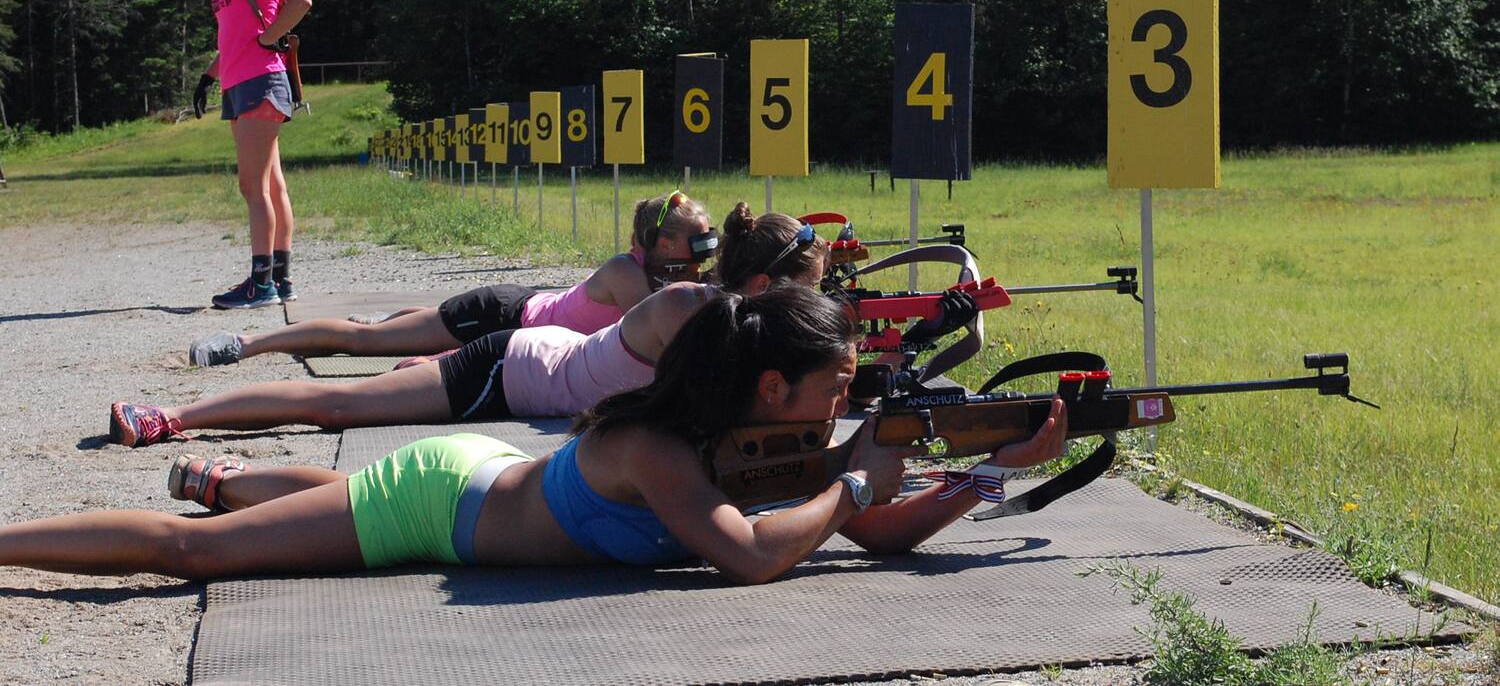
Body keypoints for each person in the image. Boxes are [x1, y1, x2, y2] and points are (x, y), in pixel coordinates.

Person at [0, 286, 1067, 584]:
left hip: (495, 478)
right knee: (186, 558)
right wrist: (855, 480)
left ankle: (223, 473)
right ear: (774, 385)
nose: (843, 407)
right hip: (435, 503)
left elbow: (865, 530)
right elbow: (752, 553)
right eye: (834, 389)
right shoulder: (659, 448)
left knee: (269, 516)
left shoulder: (766, 440)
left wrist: (986, 471)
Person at [109, 204, 829, 447]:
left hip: (538, 361)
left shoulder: (732, 316)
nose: (812, 314)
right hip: (513, 362)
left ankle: (414, 377)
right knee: (337, 406)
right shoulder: (687, 311)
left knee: (373, 376)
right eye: (808, 297)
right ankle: (173, 414)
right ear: (763, 287)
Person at [185, 190, 712, 367]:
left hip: (523, 322)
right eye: (700, 242)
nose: (705, 252)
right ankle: (245, 343)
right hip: (499, 314)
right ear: (665, 246)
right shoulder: (627, 273)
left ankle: (400, 322)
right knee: (363, 342)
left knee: (393, 330)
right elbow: (677, 333)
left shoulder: (658, 272)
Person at [195, 0, 313, 310]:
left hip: (262, 82)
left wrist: (268, 39)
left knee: (253, 186)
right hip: (239, 83)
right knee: (272, 185)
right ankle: (280, 279)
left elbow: (300, 0)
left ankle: (260, 284)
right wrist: (209, 76)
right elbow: (233, 38)